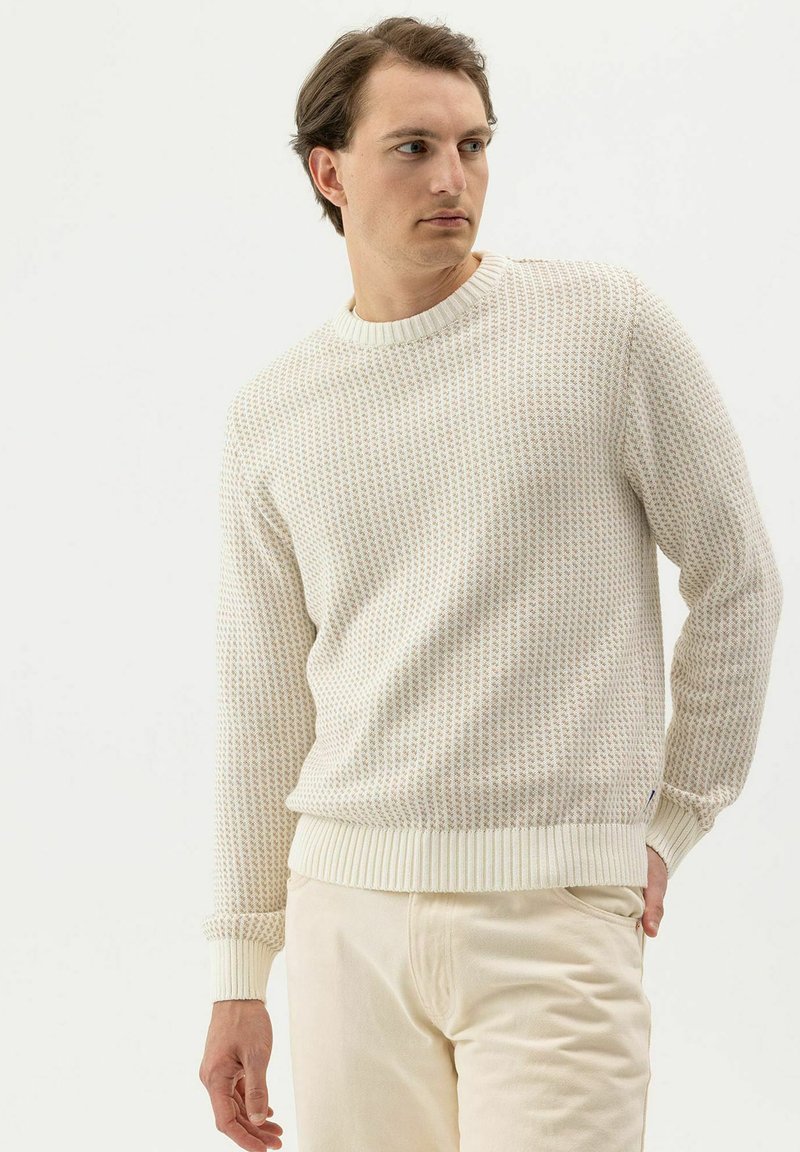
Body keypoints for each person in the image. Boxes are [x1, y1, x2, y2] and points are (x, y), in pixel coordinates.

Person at [198, 16, 783, 1152]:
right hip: (344, 926)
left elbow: (739, 578)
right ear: (329, 172)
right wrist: (238, 970)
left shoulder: (601, 325)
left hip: (554, 916)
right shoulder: (272, 413)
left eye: (472, 145)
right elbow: (263, 702)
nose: (452, 178)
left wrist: (672, 819)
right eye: (412, 147)